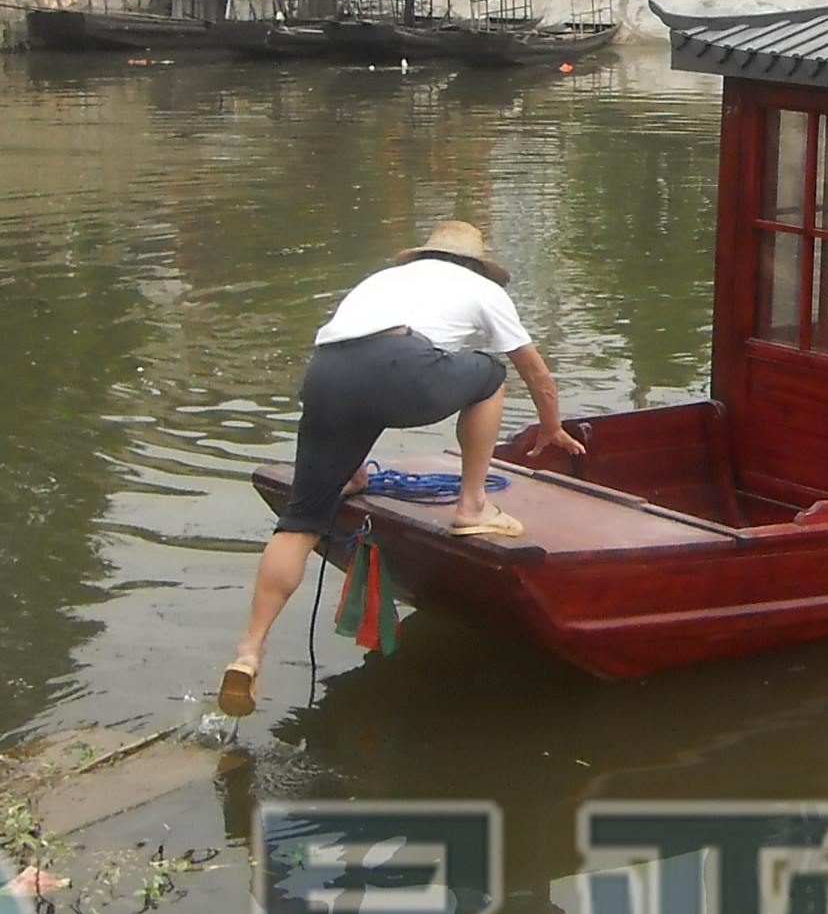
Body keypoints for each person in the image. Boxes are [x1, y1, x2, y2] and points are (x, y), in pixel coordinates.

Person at [217, 219, 581, 717]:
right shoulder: (483, 289)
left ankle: (248, 650)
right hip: (399, 366)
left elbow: (359, 363)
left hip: (325, 374)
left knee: (299, 524)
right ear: (476, 264)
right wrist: (552, 427)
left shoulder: (381, 281)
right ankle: (473, 504)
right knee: (491, 374)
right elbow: (535, 371)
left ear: (425, 255)